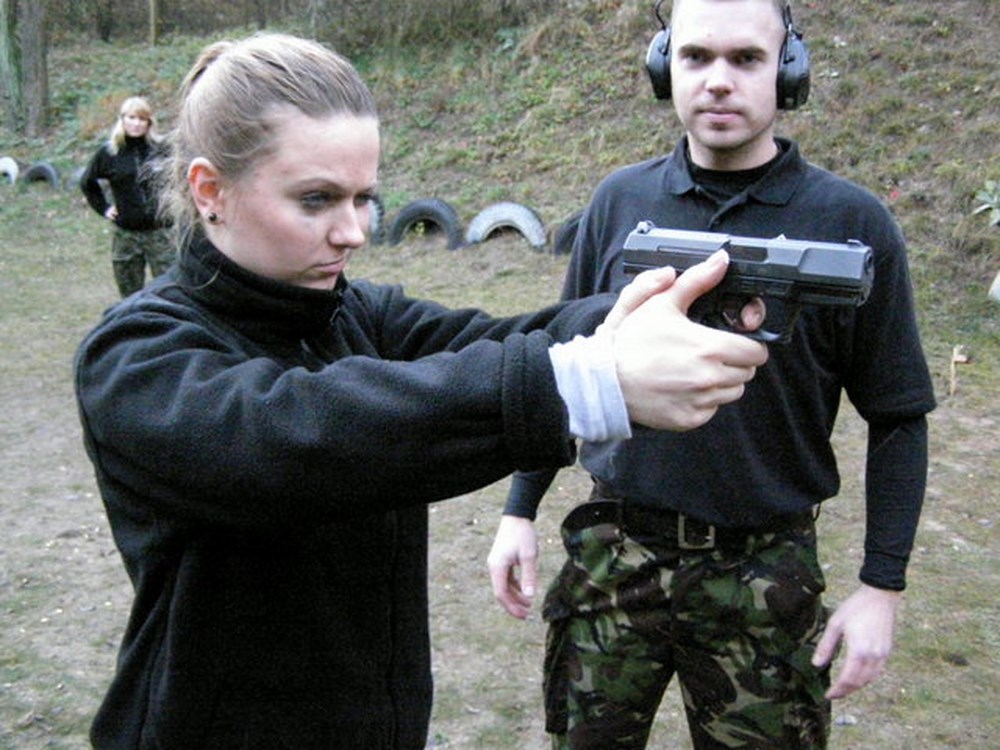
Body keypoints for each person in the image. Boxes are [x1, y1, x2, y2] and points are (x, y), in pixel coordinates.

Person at [73, 33, 770, 750]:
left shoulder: (356, 314)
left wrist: (653, 311)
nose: (353, 232)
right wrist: (587, 383)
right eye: (316, 200)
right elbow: (299, 437)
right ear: (209, 190)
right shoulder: (134, 355)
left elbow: (507, 339)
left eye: (364, 199)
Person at [488, 1, 936, 748]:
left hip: (764, 570)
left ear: (788, 69)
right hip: (616, 550)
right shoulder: (619, 202)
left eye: (746, 58)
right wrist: (518, 510)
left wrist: (882, 585)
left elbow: (898, 414)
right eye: (696, 57)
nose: (718, 80)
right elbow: (564, 369)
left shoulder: (852, 224)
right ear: (665, 65)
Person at [80, 96, 174, 297]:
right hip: (126, 235)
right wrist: (104, 208)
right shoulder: (109, 152)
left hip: (161, 234)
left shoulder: (162, 149)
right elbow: (87, 183)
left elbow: (179, 180)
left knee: (170, 291)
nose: (136, 123)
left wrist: (172, 207)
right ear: (122, 120)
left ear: (149, 123)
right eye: (131, 118)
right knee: (129, 294)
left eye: (142, 119)